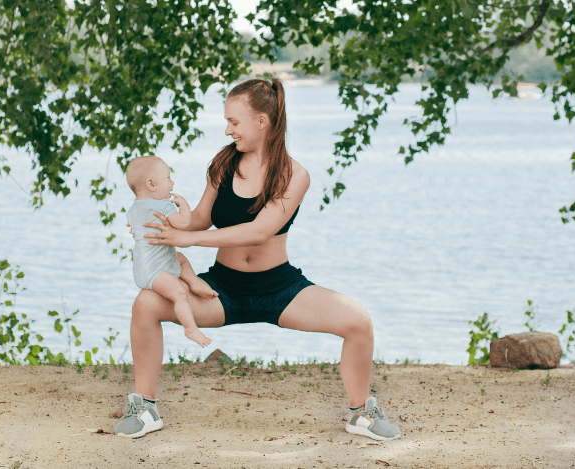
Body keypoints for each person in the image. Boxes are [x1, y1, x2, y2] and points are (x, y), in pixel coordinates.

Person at [114, 78, 401, 441]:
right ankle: (145, 408)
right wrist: (156, 223)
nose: (227, 129)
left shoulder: (295, 175)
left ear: (261, 121)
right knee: (146, 303)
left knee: (358, 320)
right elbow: (201, 217)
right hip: (223, 289)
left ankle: (362, 413)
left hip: (280, 288)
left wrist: (186, 239)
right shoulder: (222, 164)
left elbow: (260, 231)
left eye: (234, 122)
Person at [125, 155, 217, 348]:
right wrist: (183, 205)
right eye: (167, 178)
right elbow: (183, 224)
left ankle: (195, 283)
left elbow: (135, 228)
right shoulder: (162, 205)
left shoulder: (134, 209)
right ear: (151, 184)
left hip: (144, 267)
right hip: (156, 272)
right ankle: (190, 328)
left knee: (180, 259)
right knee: (178, 294)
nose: (172, 182)